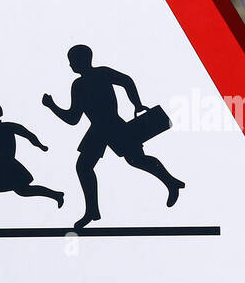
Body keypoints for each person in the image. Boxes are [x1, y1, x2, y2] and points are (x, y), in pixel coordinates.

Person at [43, 44, 184, 229]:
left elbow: (126, 81)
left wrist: (137, 104)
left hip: (112, 125)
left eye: (72, 61)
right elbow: (74, 118)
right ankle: (92, 210)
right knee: (85, 167)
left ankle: (170, 182)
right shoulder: (78, 85)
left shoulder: (100, 73)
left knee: (135, 160)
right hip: (98, 130)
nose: (70, 65)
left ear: (81, 61)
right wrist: (52, 106)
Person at [0, 101, 63, 230]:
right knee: (6, 190)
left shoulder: (8, 126)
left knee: (15, 190)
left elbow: (28, 135)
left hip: (7, 162)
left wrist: (40, 145)